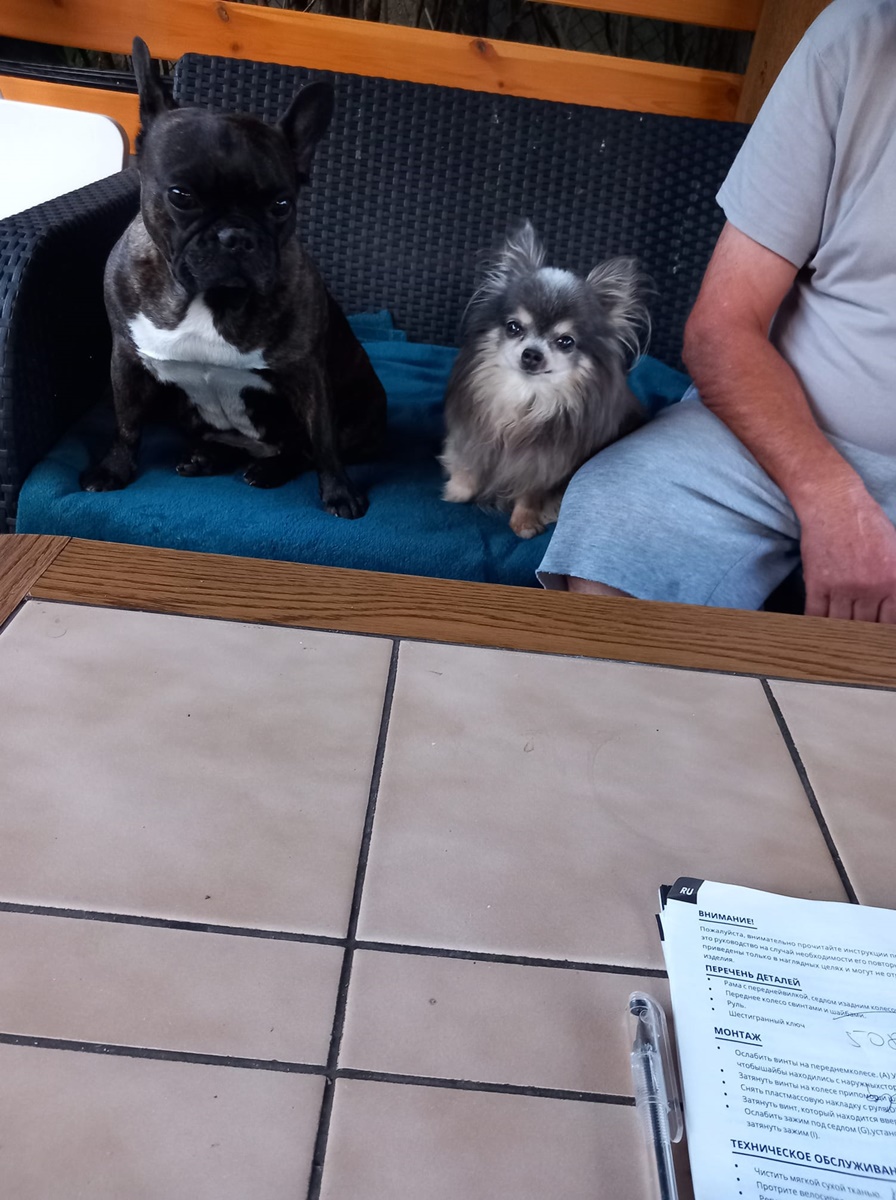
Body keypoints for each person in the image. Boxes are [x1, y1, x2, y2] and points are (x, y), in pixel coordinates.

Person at [537, 0, 896, 623]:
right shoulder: (857, 36)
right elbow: (720, 330)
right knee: (618, 515)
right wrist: (830, 498)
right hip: (782, 435)